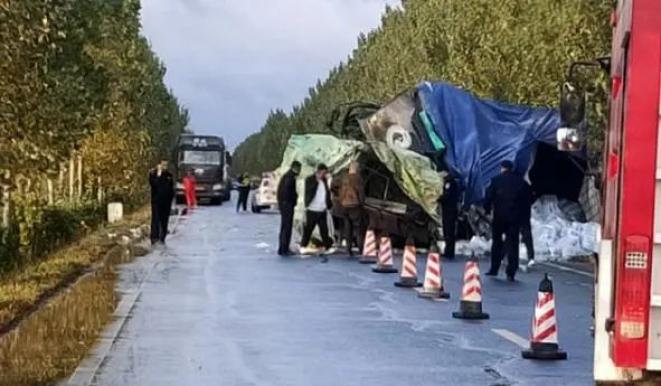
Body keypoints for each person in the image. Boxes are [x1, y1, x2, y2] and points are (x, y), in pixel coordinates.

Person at [483, 160, 529, 281]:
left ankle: (494, 268)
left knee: (497, 242)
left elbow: (488, 197)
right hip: (515, 217)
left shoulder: (496, 180)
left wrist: (487, 210)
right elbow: (528, 200)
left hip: (499, 216)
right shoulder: (521, 182)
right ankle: (511, 271)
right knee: (513, 244)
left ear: (502, 168)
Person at [300, 164, 335, 255]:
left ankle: (327, 246)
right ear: (319, 171)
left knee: (324, 229)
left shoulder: (324, 180)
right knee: (308, 228)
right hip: (312, 209)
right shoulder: (310, 179)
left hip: (322, 209)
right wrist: (317, 180)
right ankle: (303, 246)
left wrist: (329, 205)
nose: (324, 174)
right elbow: (309, 191)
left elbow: (327, 193)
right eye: (323, 172)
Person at [339, 162, 365, 256]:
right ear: (356, 169)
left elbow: (340, 193)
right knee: (358, 229)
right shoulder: (358, 179)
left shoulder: (344, 178)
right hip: (355, 206)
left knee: (348, 228)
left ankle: (348, 249)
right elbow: (361, 192)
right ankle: (361, 249)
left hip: (345, 206)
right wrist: (361, 203)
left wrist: (341, 202)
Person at [277, 161, 301, 256]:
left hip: (284, 204)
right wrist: (293, 199)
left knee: (284, 227)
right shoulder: (290, 177)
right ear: (295, 168)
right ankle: (284, 249)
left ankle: (282, 248)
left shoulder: (287, 176)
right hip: (287, 205)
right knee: (287, 227)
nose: (299, 171)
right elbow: (288, 192)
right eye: (299, 169)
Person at [149, 159, 175, 245]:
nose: (164, 167)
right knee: (155, 219)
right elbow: (154, 184)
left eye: (166, 165)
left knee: (164, 219)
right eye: (162, 165)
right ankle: (154, 237)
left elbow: (171, 189)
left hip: (166, 202)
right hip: (156, 201)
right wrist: (158, 175)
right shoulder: (153, 174)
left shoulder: (169, 175)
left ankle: (163, 236)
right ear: (158, 165)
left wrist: (171, 200)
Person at [441, 175, 459, 259]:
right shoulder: (453, 182)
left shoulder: (449, 183)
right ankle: (449, 250)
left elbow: (447, 196)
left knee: (448, 231)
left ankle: (449, 251)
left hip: (449, 211)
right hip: (451, 210)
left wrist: (439, 199)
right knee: (449, 232)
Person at [521, 179, 535, 268]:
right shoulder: (525, 184)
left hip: (512, 213)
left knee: (510, 236)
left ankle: (503, 255)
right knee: (527, 236)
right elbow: (532, 198)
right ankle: (531, 257)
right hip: (525, 213)